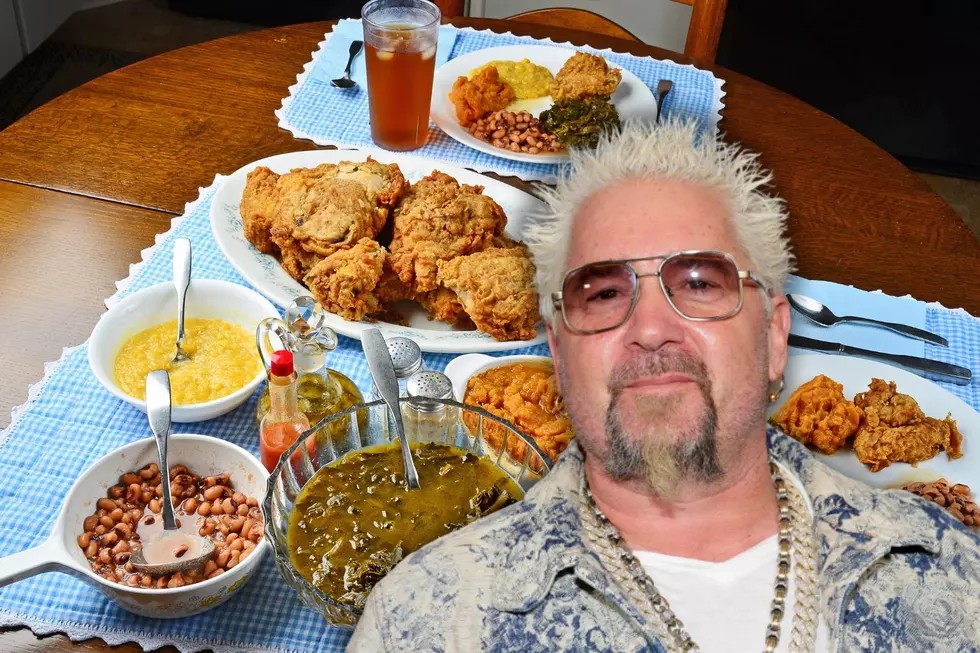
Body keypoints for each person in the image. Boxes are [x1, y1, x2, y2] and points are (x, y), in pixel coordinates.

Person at [347, 120, 980, 652]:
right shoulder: (425, 618)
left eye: (701, 283)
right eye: (602, 293)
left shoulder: (949, 568)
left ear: (774, 335)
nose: (651, 327)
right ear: (558, 353)